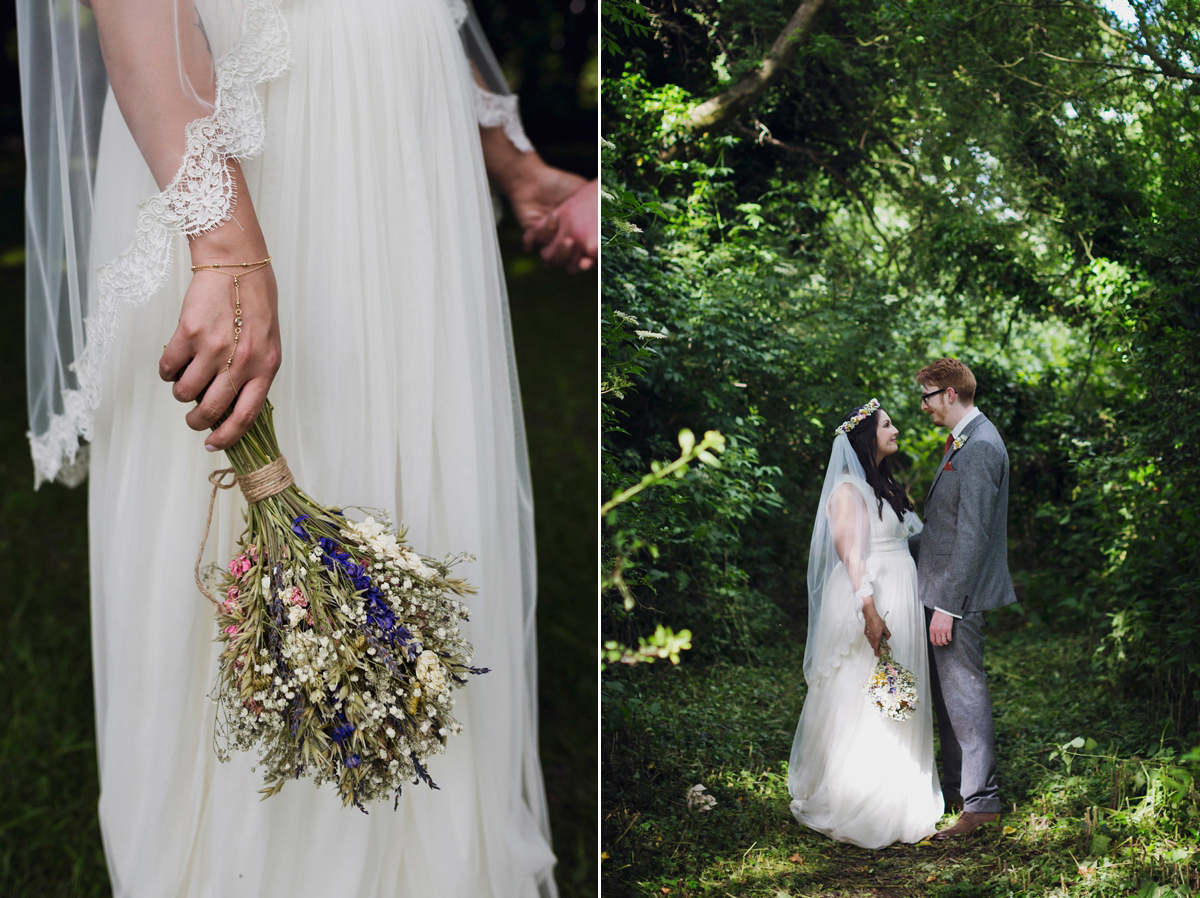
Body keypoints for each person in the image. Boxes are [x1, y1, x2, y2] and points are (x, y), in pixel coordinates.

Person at [18, 0, 593, 894]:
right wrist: (227, 246)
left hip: (400, 137)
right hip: (255, 128)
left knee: (415, 486)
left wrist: (514, 166)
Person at [787, 399, 943, 850]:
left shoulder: (886, 485)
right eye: (887, 424)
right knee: (866, 691)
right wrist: (869, 611)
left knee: (899, 690)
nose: (896, 429)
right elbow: (852, 557)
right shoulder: (847, 491)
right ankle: (860, 794)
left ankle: (900, 790)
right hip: (870, 597)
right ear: (864, 435)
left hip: (902, 597)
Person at [912, 358, 1017, 840]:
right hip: (942, 591)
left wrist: (948, 607)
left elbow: (972, 536)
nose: (924, 406)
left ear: (950, 394)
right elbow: (947, 526)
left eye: (928, 396)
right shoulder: (965, 441)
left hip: (959, 598)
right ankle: (957, 790)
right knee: (950, 698)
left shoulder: (979, 447)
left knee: (966, 694)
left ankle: (981, 805)